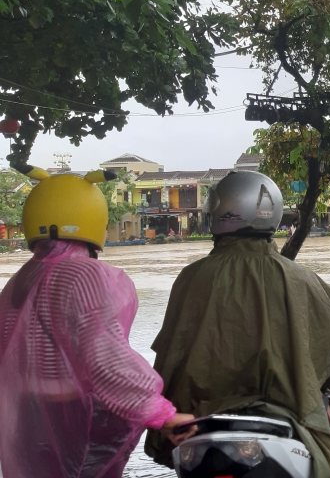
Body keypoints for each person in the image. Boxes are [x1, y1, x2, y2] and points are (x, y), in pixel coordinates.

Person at [144, 171, 330, 478]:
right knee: (327, 439)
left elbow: (172, 353)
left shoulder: (191, 277)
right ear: (271, 214)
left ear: (216, 213)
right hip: (282, 416)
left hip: (199, 420)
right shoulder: (297, 277)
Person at [0, 166, 194, 478]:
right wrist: (163, 414)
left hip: (26, 420)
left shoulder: (20, 280)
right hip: (71, 422)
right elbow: (105, 359)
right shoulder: (85, 275)